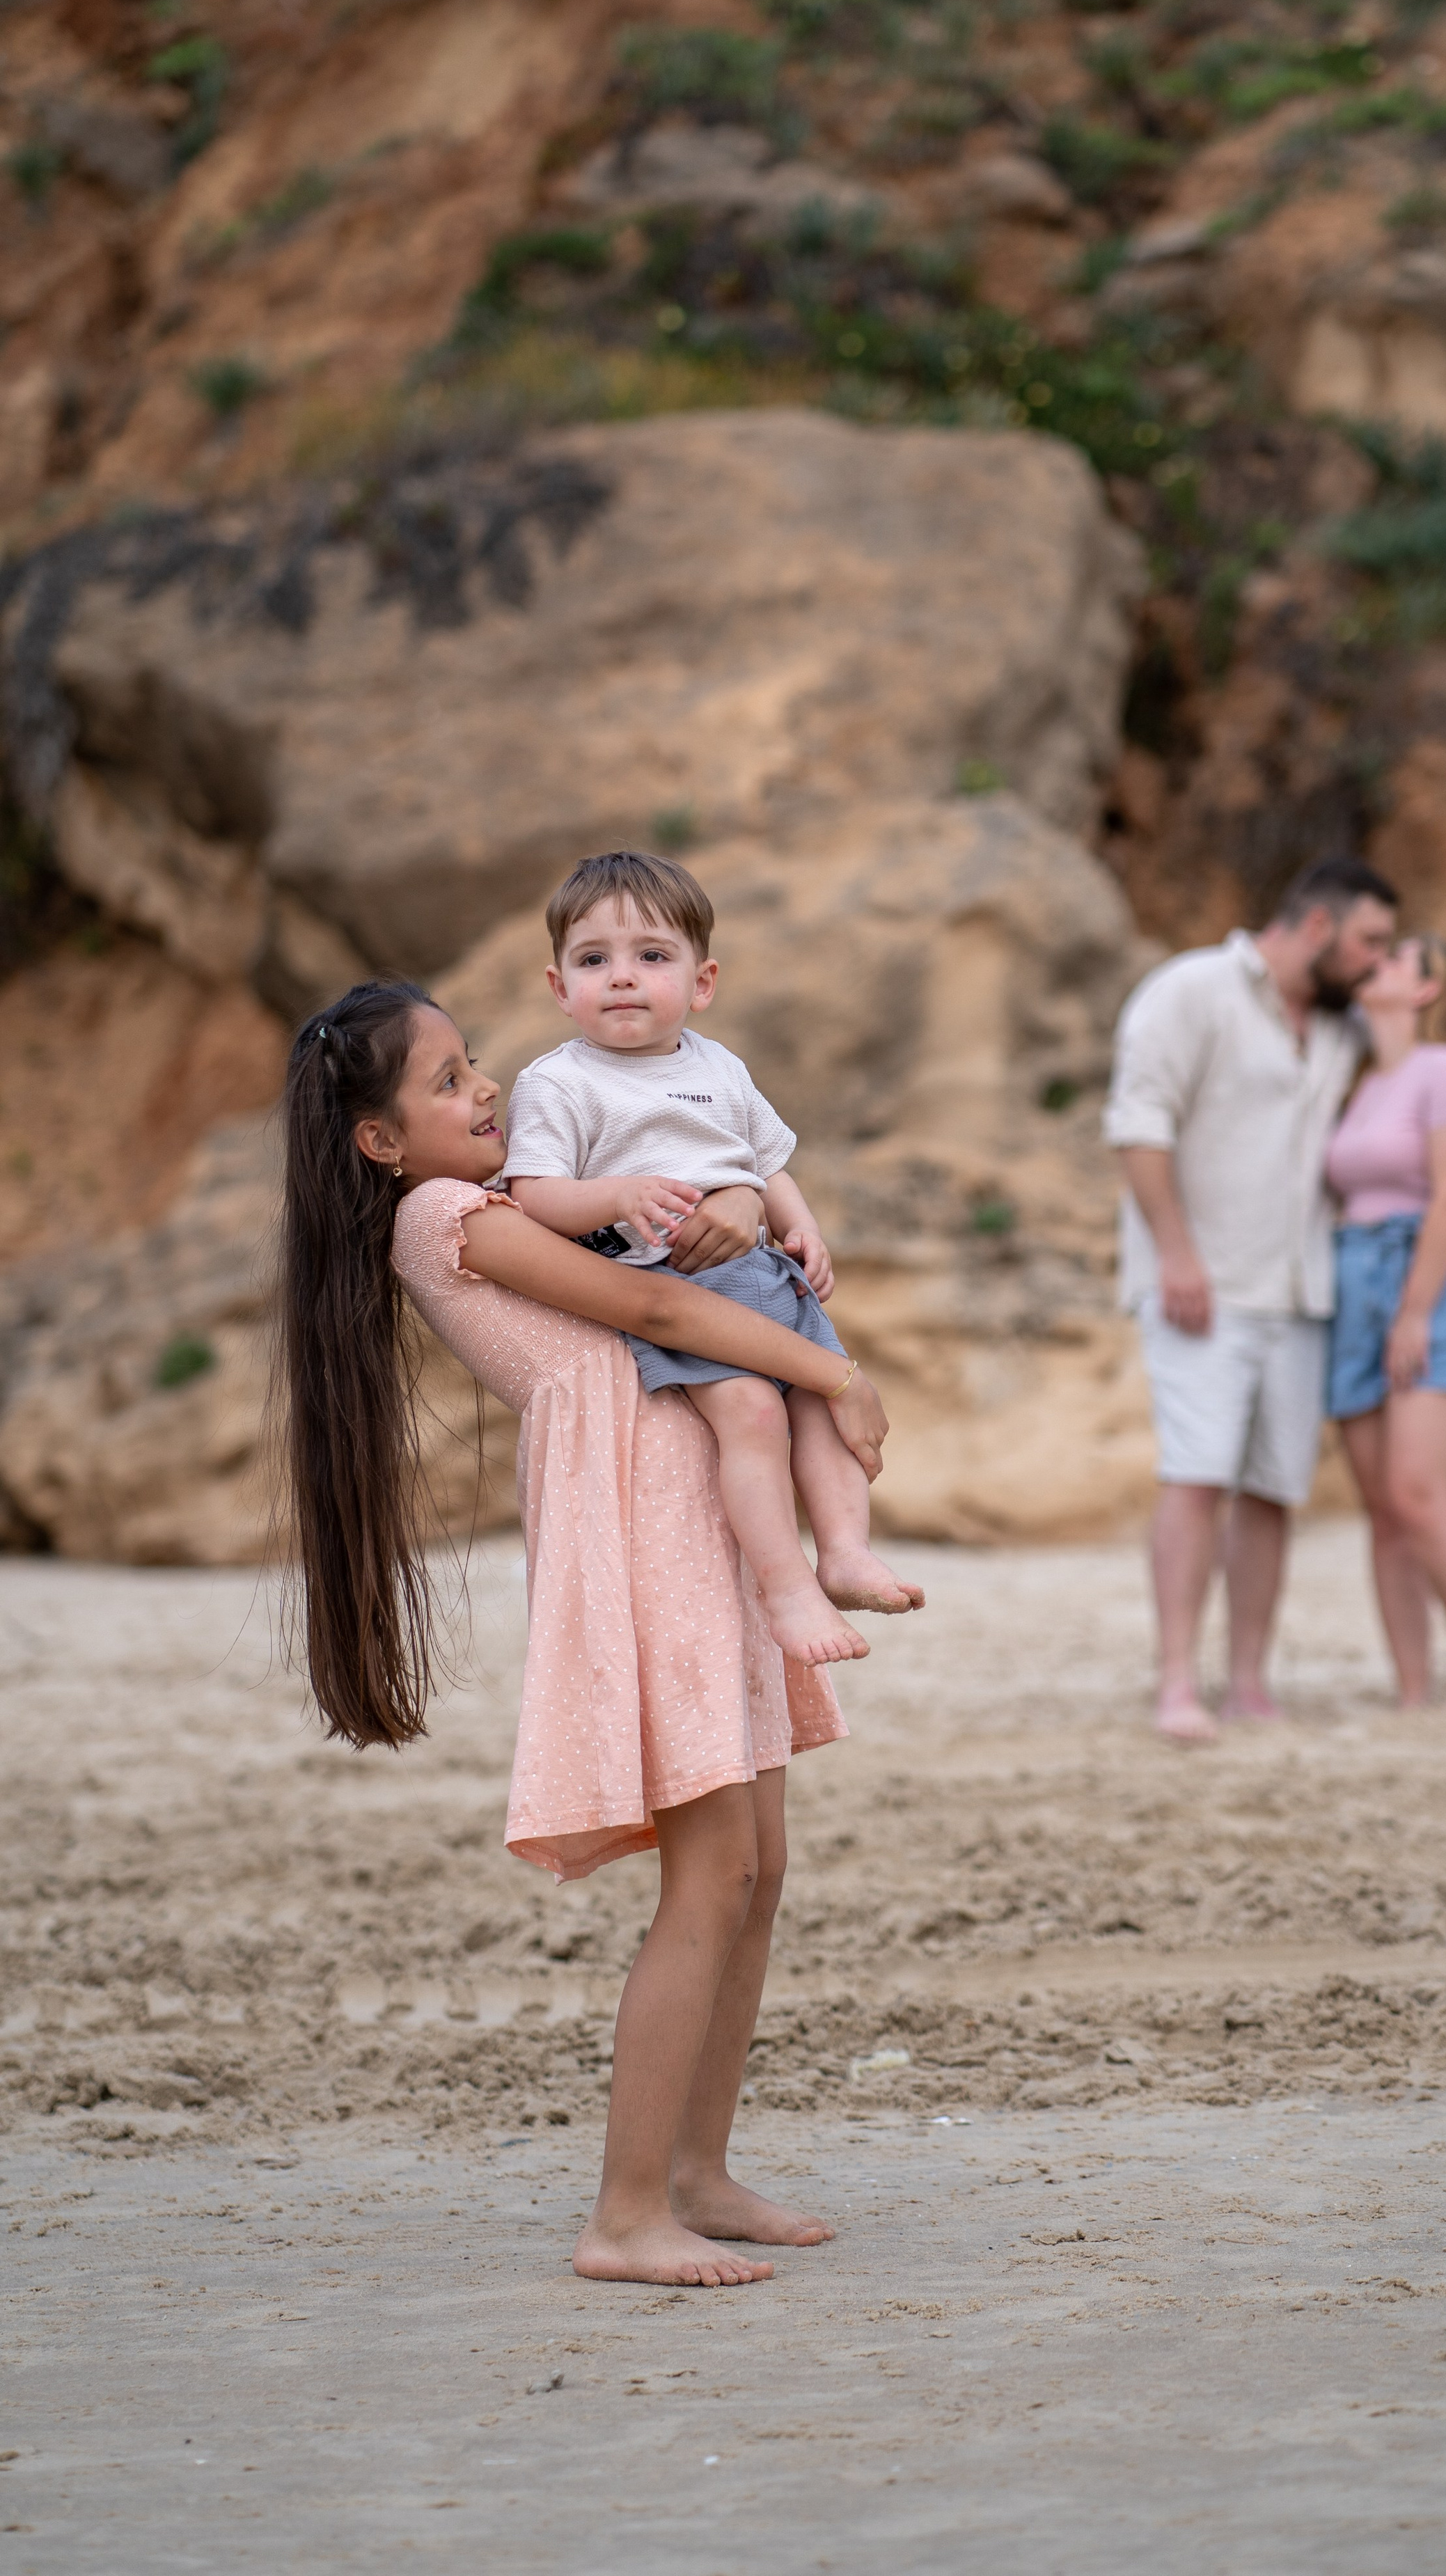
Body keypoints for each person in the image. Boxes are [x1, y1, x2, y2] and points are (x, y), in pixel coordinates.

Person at [279, 978, 894, 2289]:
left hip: (698, 1510)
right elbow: (656, 1314)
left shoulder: (522, 1195)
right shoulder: (446, 1217)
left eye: (474, 1063)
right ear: (379, 1141)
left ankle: (698, 2173)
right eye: (447, 1080)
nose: (485, 1087)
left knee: (759, 1865)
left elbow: (690, 1233)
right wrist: (833, 1374)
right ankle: (625, 2214)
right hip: (637, 1524)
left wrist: (741, 1203)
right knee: (711, 1874)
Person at [502, 851, 923, 1669]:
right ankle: (785, 1585)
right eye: (594, 960)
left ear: (702, 982)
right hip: (668, 1286)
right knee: (754, 1415)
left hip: (763, 1276)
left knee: (820, 1407)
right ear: (559, 987)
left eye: (652, 956)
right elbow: (534, 1195)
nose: (622, 977)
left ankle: (843, 1551)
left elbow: (767, 1165)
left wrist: (802, 1229)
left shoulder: (719, 1066)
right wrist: (615, 1195)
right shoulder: (559, 1084)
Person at [1104, 857, 1399, 1743]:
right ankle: (1175, 1683)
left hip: (1303, 1291)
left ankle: (1247, 1682)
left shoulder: (1346, 1025)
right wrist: (1177, 1256)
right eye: (1370, 941)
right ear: (1317, 925)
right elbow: (1138, 1125)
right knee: (1196, 1475)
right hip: (1202, 1286)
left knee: (1272, 1489)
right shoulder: (1191, 990)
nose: (1378, 962)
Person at [1325, 935, 1446, 1711]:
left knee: (1418, 1492)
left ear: (1430, 990)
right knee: (1383, 1509)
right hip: (1353, 1281)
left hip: (1427, 1282)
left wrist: (1416, 1311)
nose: (1379, 962)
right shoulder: (1359, 1079)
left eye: (1399, 958)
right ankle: (1412, 1687)